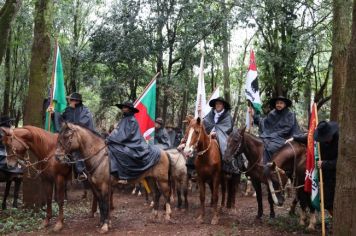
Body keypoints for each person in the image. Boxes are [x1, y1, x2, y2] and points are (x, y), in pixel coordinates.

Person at [106, 101, 161, 183]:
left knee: (123, 152)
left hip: (133, 144)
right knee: (111, 148)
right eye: (123, 107)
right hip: (125, 142)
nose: (123, 109)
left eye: (125, 107)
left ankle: (125, 176)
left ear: (129, 109)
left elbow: (126, 135)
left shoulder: (132, 120)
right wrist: (109, 138)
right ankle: (114, 171)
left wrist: (111, 139)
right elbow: (117, 132)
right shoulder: (124, 119)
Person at [50, 92, 95, 180]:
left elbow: (82, 124)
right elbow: (62, 120)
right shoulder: (68, 110)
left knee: (75, 149)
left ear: (76, 101)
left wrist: (72, 128)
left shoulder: (85, 111)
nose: (69, 101)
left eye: (70, 100)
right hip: (69, 135)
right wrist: (54, 114)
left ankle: (81, 171)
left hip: (83, 137)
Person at [251, 96, 300, 165]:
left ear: (285, 104)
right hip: (270, 137)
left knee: (270, 148)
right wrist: (254, 115)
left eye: (281, 103)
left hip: (285, 138)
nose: (278, 105)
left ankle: (269, 167)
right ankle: (256, 165)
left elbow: (286, 129)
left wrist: (271, 136)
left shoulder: (290, 114)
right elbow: (264, 122)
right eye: (277, 103)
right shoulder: (272, 113)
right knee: (258, 144)